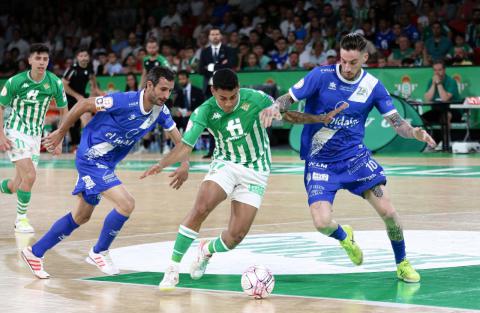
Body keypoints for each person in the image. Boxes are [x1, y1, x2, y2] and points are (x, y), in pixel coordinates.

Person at [141, 69, 343, 290]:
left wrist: (320, 119)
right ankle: (172, 268)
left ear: (238, 89)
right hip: (225, 164)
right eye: (222, 98)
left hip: (256, 169)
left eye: (233, 97)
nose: (228, 103)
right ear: (212, 91)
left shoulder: (256, 99)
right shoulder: (204, 111)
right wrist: (162, 164)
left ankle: (206, 250)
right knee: (201, 207)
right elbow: (185, 146)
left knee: (235, 236)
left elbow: (289, 115)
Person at [262, 33, 436, 283]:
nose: (346, 67)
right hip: (320, 160)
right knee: (322, 223)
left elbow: (397, 123)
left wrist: (414, 132)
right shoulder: (320, 76)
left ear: (365, 57)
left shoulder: (373, 86)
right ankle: (345, 237)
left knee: (389, 211)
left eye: (353, 62)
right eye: (343, 60)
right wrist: (275, 107)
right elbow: (287, 99)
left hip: (355, 159)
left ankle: (402, 263)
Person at [21, 67, 189, 279]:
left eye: (169, 90)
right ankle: (99, 251)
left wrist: (184, 164)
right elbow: (83, 104)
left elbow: (179, 141)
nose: (166, 95)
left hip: (106, 163)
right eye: (163, 89)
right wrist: (61, 132)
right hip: (91, 158)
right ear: (149, 85)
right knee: (126, 203)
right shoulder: (122, 101)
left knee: (81, 216)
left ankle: (34, 252)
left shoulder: (161, 111)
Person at [0, 43, 68, 233]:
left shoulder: (54, 82)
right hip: (15, 131)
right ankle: (21, 220)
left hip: (35, 136)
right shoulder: (15, 81)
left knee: (16, 185)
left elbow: (64, 110)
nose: (41, 62)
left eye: (45, 59)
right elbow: (1, 106)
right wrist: (1, 135)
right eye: (37, 58)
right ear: (29, 60)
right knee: (30, 175)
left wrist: (60, 139)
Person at [198, 28, 236, 158]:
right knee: (212, 119)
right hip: (210, 90)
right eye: (212, 34)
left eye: (217, 34)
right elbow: (200, 69)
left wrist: (212, 67)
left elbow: (231, 65)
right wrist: (220, 65)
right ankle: (212, 150)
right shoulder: (204, 52)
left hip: (226, 90)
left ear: (221, 36)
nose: (215, 36)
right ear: (209, 37)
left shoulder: (229, 50)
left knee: (229, 118)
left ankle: (231, 149)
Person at [62, 47, 102, 152]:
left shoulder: (90, 69)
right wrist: (76, 96)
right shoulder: (72, 69)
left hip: (83, 98)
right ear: (77, 58)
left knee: (87, 118)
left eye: (85, 56)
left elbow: (94, 86)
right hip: (70, 99)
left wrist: (98, 94)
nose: (83, 58)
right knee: (72, 123)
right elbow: (63, 85)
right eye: (81, 56)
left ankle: (90, 144)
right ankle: (74, 146)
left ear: (88, 57)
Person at [422, 59, 461, 148]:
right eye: (435, 70)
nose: (437, 73)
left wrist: (439, 83)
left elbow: (445, 99)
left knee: (445, 116)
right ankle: (428, 143)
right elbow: (427, 99)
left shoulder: (451, 81)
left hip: (452, 110)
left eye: (439, 70)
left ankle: (445, 143)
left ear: (444, 70)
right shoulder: (431, 81)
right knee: (422, 119)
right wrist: (433, 84)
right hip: (437, 110)